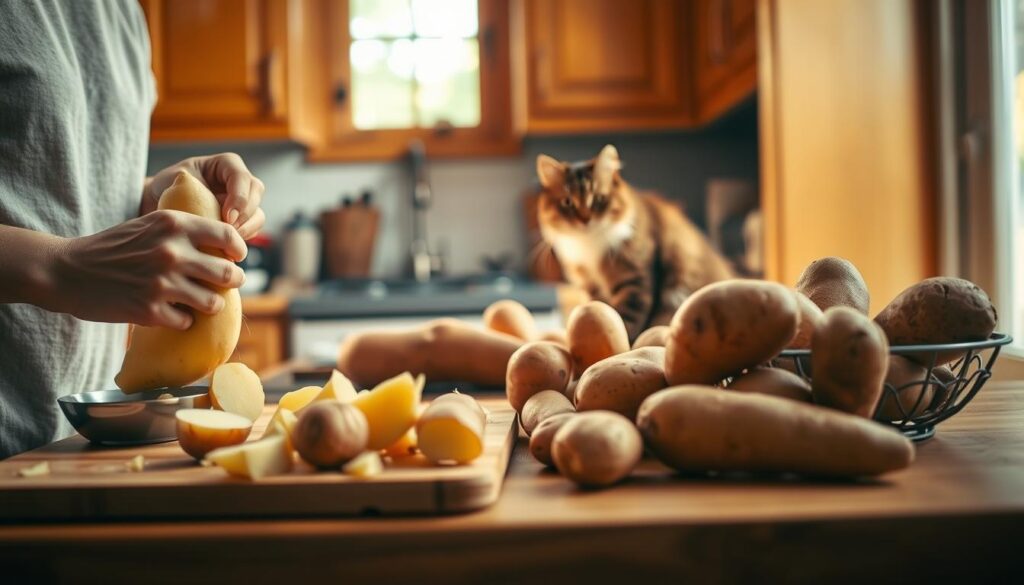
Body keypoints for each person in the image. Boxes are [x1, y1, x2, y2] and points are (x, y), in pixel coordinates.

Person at [0, 1, 266, 458]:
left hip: (75, 444)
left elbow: (59, 183)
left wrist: (157, 197)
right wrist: (60, 268)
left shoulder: (123, 11)